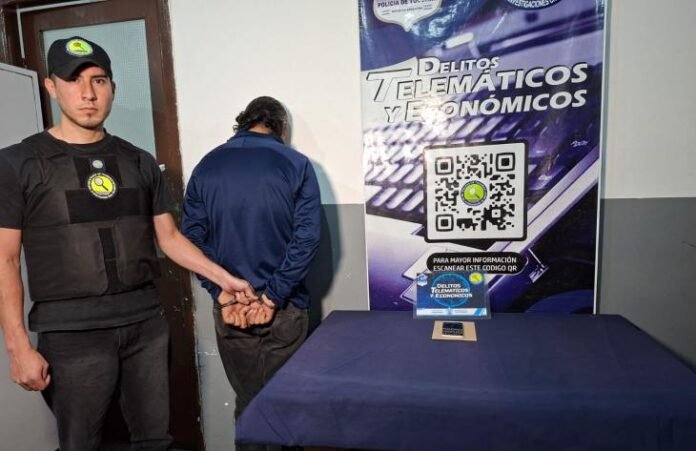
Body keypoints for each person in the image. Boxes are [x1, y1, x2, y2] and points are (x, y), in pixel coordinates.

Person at [0, 36, 255, 451]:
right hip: (72, 333)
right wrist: (18, 348)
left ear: (113, 88)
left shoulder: (138, 161)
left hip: (144, 325)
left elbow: (169, 238)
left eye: (98, 80)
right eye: (73, 80)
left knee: (155, 439)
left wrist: (224, 279)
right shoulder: (17, 164)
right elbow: (5, 259)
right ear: (51, 87)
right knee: (82, 443)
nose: (87, 93)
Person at [182, 96, 321, 450]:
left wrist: (222, 292)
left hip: (232, 308)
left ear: (242, 123)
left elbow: (191, 241)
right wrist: (273, 295)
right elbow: (306, 239)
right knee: (285, 406)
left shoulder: (206, 166)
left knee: (249, 402)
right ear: (281, 128)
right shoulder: (296, 164)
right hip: (285, 307)